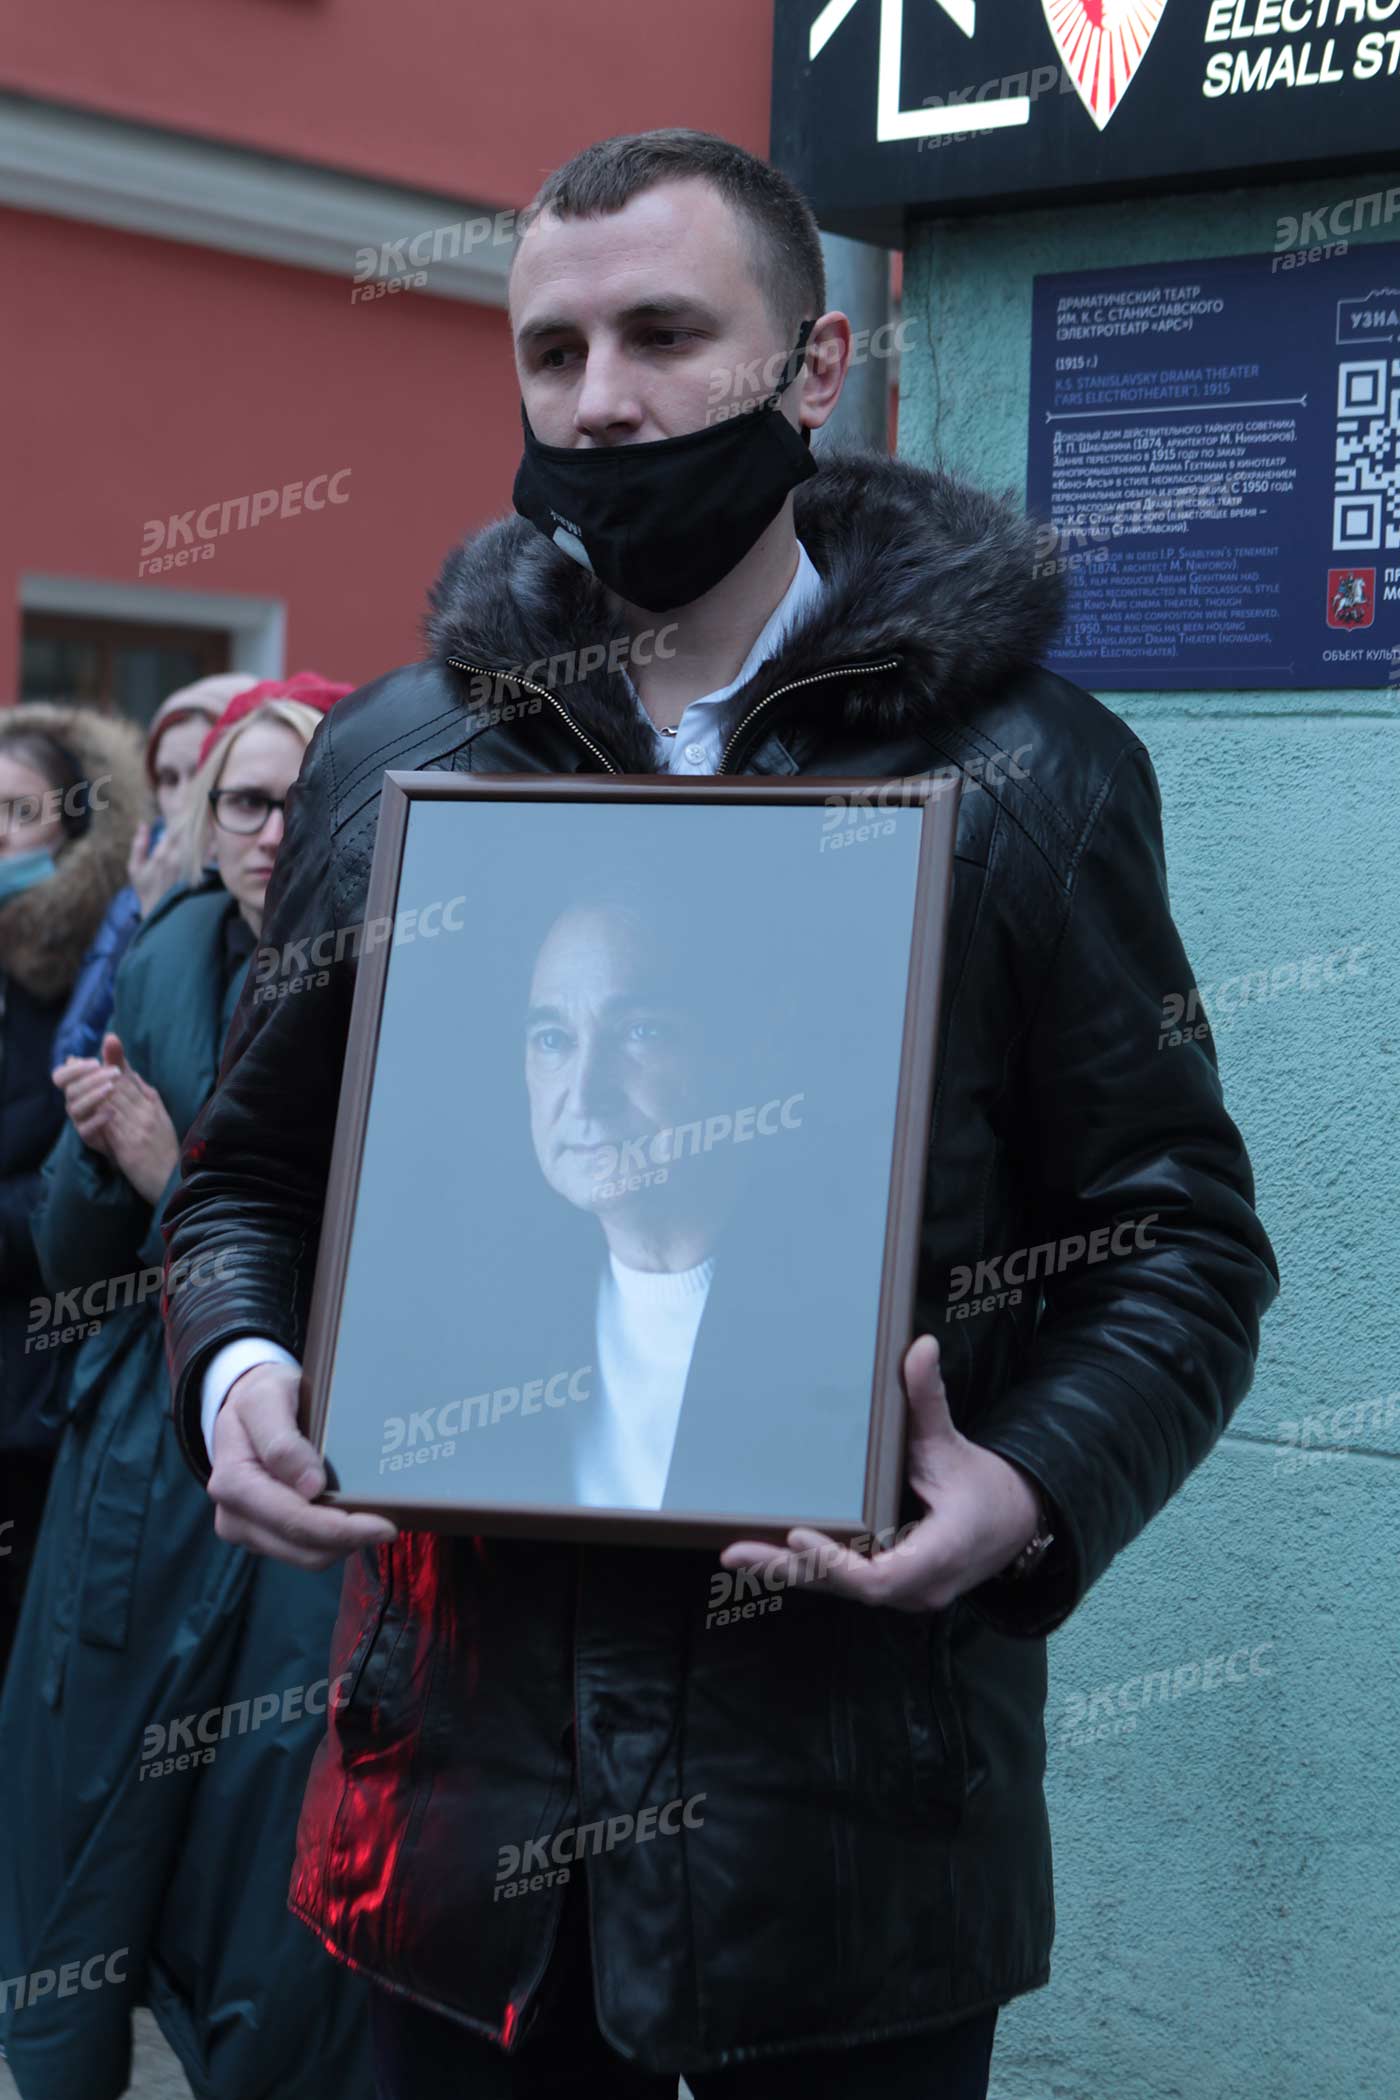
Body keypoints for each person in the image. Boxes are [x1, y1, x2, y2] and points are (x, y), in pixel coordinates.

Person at [162, 130, 1280, 2100]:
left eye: (666, 336)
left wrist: (1028, 1488)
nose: (601, 402)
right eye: (554, 351)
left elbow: (1177, 1237)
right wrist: (240, 1369)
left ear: (815, 365)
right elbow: (247, 1176)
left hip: (850, 1847)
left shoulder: (1028, 776)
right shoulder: (398, 759)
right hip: (457, 1850)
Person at [0, 676, 370, 2100]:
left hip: (293, 1490)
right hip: (132, 1489)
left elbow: (372, 1279)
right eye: (244, 803)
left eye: (299, 803)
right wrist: (102, 1159)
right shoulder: (165, 959)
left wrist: (169, 1179)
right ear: (207, 825)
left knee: (265, 1876)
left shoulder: (397, 972)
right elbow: (67, 1257)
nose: (272, 834)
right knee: (83, 1834)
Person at [0, 701, 146, 1679]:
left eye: (19, 813)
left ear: (77, 828)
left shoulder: (95, 972)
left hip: (32, 1390)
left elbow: (79, 1181)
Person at [52, 672, 258, 1065]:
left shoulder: (263, 882)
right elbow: (75, 1057)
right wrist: (147, 921)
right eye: (167, 778)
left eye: (200, 771)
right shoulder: (142, 882)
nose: (182, 797)